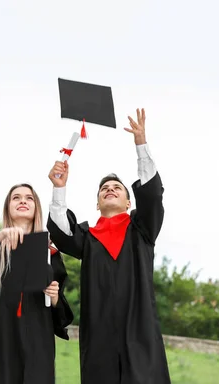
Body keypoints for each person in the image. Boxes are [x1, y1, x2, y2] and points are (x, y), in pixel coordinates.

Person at [47, 108, 171, 384]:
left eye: (117, 188)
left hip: (139, 336)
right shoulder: (88, 237)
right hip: (99, 336)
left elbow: (152, 195)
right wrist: (59, 188)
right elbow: (60, 229)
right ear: (97, 203)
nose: (110, 189)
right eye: (104, 189)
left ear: (129, 202)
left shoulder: (142, 229)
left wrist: (141, 143)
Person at [0, 183, 73, 384]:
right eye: (16, 197)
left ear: (36, 207)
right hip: (1, 340)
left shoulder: (49, 253)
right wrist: (3, 234)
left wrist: (54, 297)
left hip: (38, 341)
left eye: (29, 198)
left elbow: (60, 315)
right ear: (7, 207)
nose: (22, 201)